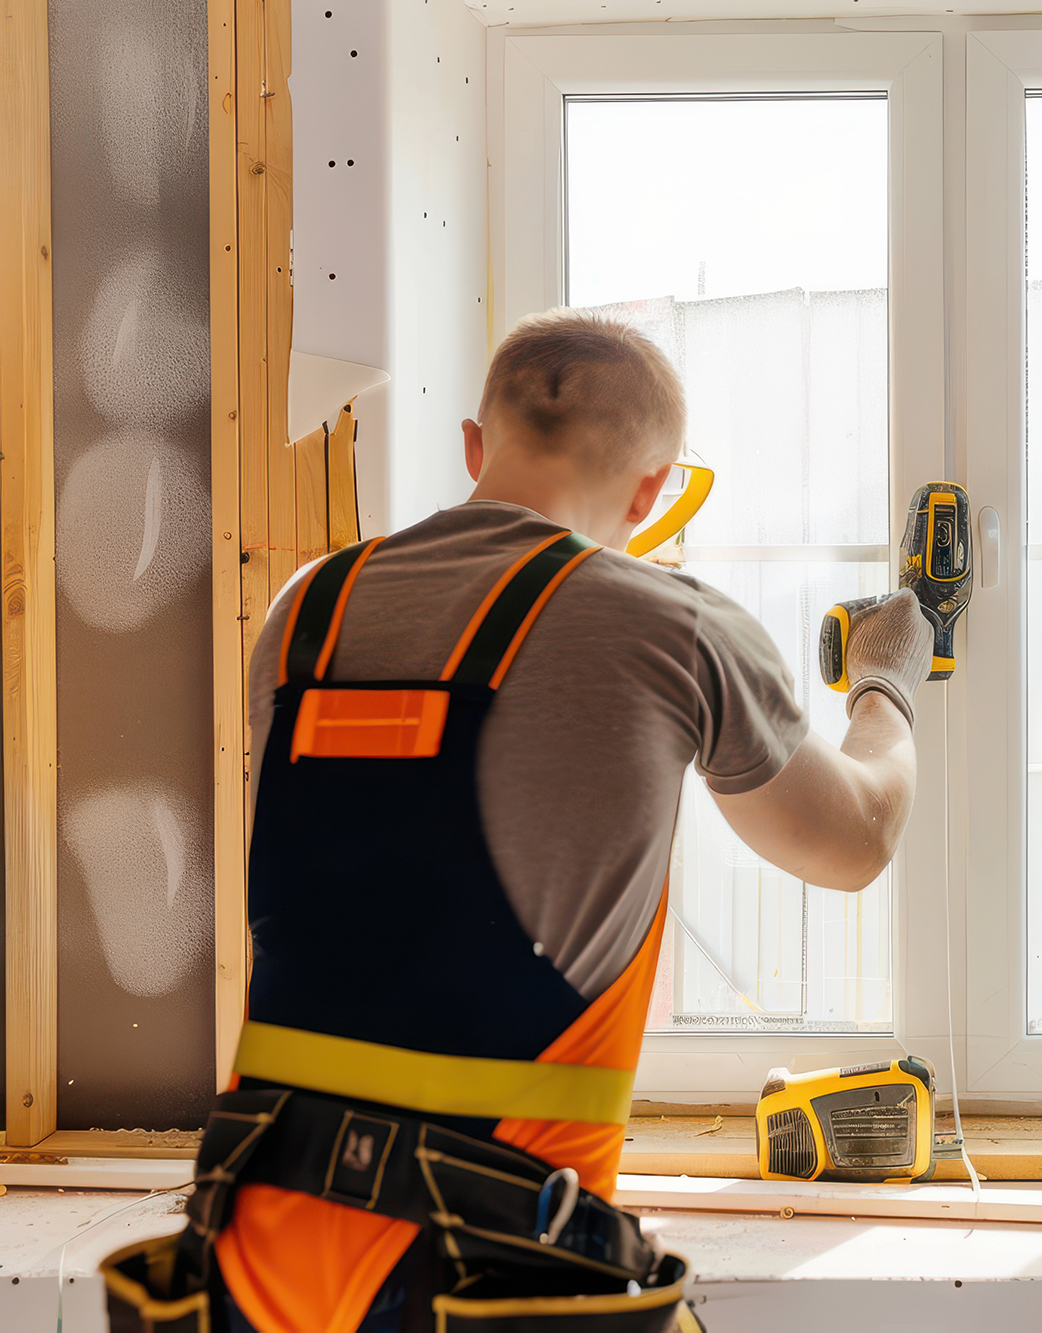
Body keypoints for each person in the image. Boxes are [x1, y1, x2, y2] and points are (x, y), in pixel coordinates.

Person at [117, 309, 935, 1333]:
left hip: (248, 1255)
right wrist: (886, 685)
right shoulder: (672, 626)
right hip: (487, 1276)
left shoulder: (302, 611)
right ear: (651, 490)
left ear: (473, 446)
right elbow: (854, 840)